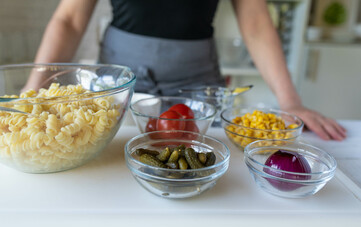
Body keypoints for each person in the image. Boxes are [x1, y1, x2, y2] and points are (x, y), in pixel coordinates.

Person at [22, 0, 346, 141]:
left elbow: (256, 23)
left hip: (198, 83)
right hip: (119, 81)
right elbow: (70, 19)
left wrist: (289, 100)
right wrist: (31, 89)